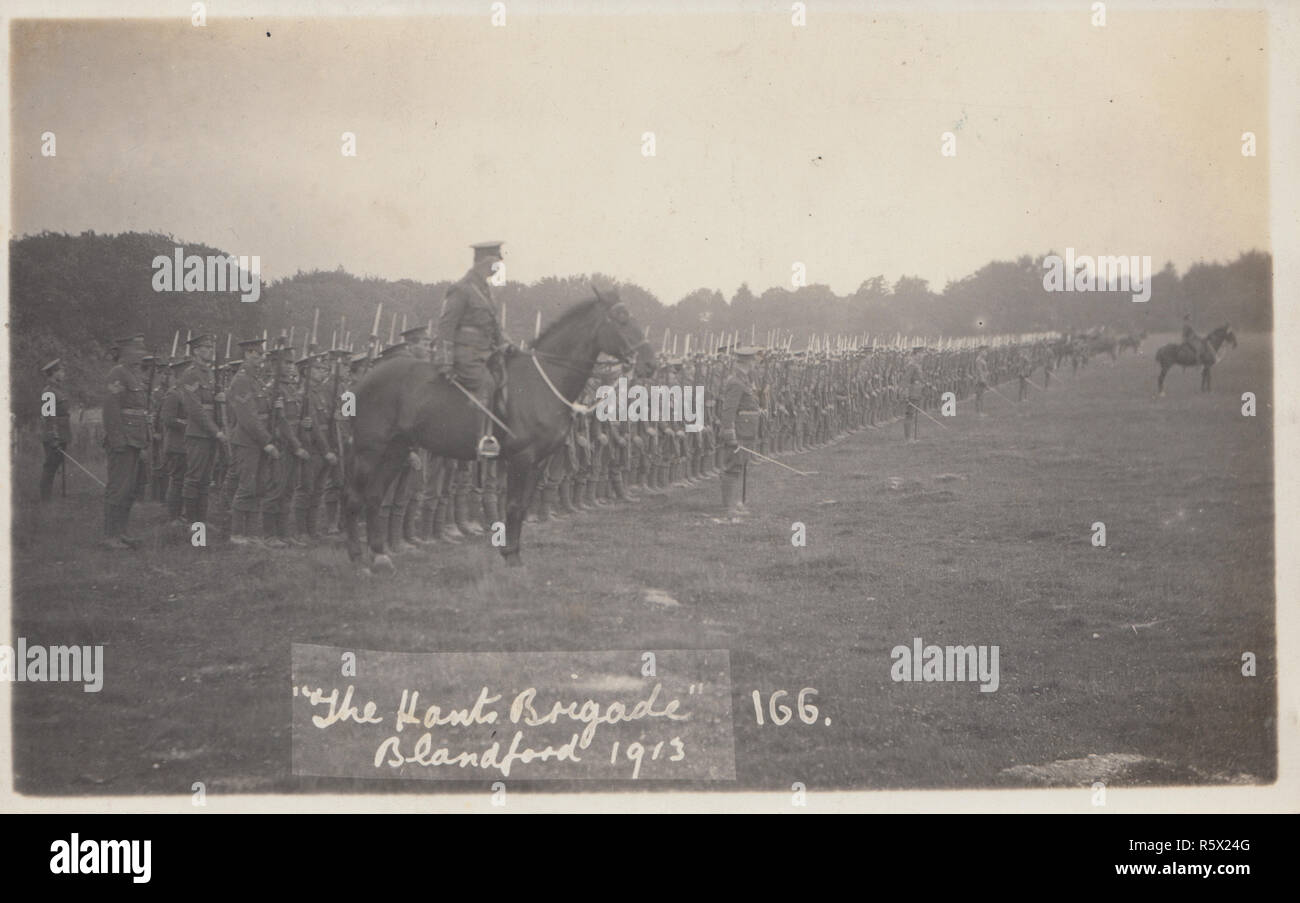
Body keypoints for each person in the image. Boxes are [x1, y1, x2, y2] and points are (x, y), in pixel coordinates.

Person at [436, 241, 509, 458]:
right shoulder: (462, 288)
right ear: (483, 261)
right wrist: (446, 361)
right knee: (484, 383)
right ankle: (481, 439)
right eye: (495, 262)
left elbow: (494, 326)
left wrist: (507, 345)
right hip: (465, 353)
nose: (497, 267)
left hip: (485, 353)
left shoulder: (484, 290)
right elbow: (446, 326)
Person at [227, 338, 279, 545]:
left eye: (261, 355)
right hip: (248, 441)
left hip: (258, 440)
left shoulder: (255, 379)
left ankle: (251, 533)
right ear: (247, 354)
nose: (260, 359)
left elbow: (262, 411)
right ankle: (237, 533)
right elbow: (248, 416)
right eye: (257, 355)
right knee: (246, 486)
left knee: (259, 487)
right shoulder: (241, 380)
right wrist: (266, 441)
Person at [101, 336, 150, 549]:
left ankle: (122, 532)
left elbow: (139, 411)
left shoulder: (134, 375)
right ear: (126, 352)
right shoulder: (117, 374)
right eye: (138, 349)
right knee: (118, 489)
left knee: (130, 489)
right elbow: (111, 410)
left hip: (136, 440)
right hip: (123, 441)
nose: (141, 353)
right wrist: (118, 440)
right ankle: (111, 536)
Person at [178, 334, 226, 530]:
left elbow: (212, 405)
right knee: (194, 478)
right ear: (196, 351)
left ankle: (201, 522)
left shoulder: (209, 374)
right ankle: (191, 523)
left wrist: (221, 398)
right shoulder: (191, 374)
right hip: (198, 434)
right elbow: (195, 409)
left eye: (211, 347)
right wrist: (216, 431)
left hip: (210, 434)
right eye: (205, 347)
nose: (210, 350)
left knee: (206, 480)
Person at [718, 346, 762, 520]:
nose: (754, 364)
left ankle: (735, 503)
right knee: (732, 467)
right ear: (747, 361)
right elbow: (728, 411)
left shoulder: (743, 379)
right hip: (739, 431)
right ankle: (728, 507)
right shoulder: (736, 381)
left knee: (740, 466)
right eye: (753, 360)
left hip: (746, 430)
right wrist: (730, 435)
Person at [39, 358, 72, 502]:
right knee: (50, 466)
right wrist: (54, 437)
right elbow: (48, 417)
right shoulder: (49, 392)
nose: (64, 373)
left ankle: (48, 498)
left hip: (62, 433)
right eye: (61, 371)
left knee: (55, 464)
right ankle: (45, 500)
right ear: (54, 373)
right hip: (54, 435)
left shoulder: (58, 390)